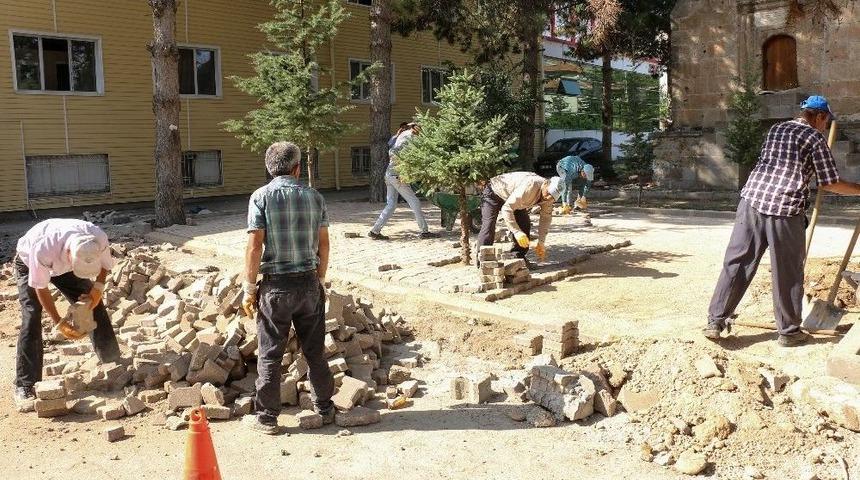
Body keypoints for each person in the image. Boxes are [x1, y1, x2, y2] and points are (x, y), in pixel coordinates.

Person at [705, 95, 860, 347]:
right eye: (826, 121)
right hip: (784, 209)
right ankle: (788, 332)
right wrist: (858, 189)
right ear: (819, 116)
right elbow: (830, 183)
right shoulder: (814, 138)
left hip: (751, 201)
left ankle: (715, 321)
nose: (825, 126)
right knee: (787, 272)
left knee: (737, 263)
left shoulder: (777, 128)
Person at [241, 141, 334, 434]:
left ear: (270, 169)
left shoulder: (260, 197)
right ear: (297, 168)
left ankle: (267, 418)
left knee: (270, 354)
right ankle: (325, 408)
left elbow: (254, 246)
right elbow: (324, 244)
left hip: (276, 288)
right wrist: (320, 279)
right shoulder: (315, 197)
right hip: (308, 284)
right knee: (315, 351)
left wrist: (248, 288)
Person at [13, 219, 120, 412]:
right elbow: (41, 288)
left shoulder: (97, 237)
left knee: (92, 305)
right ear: (70, 253)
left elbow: (105, 265)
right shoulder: (44, 248)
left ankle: (112, 362)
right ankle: (25, 384)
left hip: (65, 267)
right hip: (29, 263)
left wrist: (97, 290)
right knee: (31, 316)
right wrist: (59, 322)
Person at [369, 122, 437, 240]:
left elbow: (391, 149)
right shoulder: (410, 138)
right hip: (398, 176)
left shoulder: (401, 136)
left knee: (391, 204)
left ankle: (375, 231)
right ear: (415, 129)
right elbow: (409, 156)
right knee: (415, 201)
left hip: (389, 174)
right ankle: (424, 231)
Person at [477, 172, 563, 264]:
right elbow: (507, 209)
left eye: (552, 197)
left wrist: (541, 242)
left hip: (513, 198)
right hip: (494, 192)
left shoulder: (548, 199)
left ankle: (517, 258)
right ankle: (483, 261)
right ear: (545, 184)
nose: (548, 198)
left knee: (524, 224)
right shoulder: (530, 186)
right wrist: (517, 232)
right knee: (489, 224)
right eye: (548, 193)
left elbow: (545, 218)